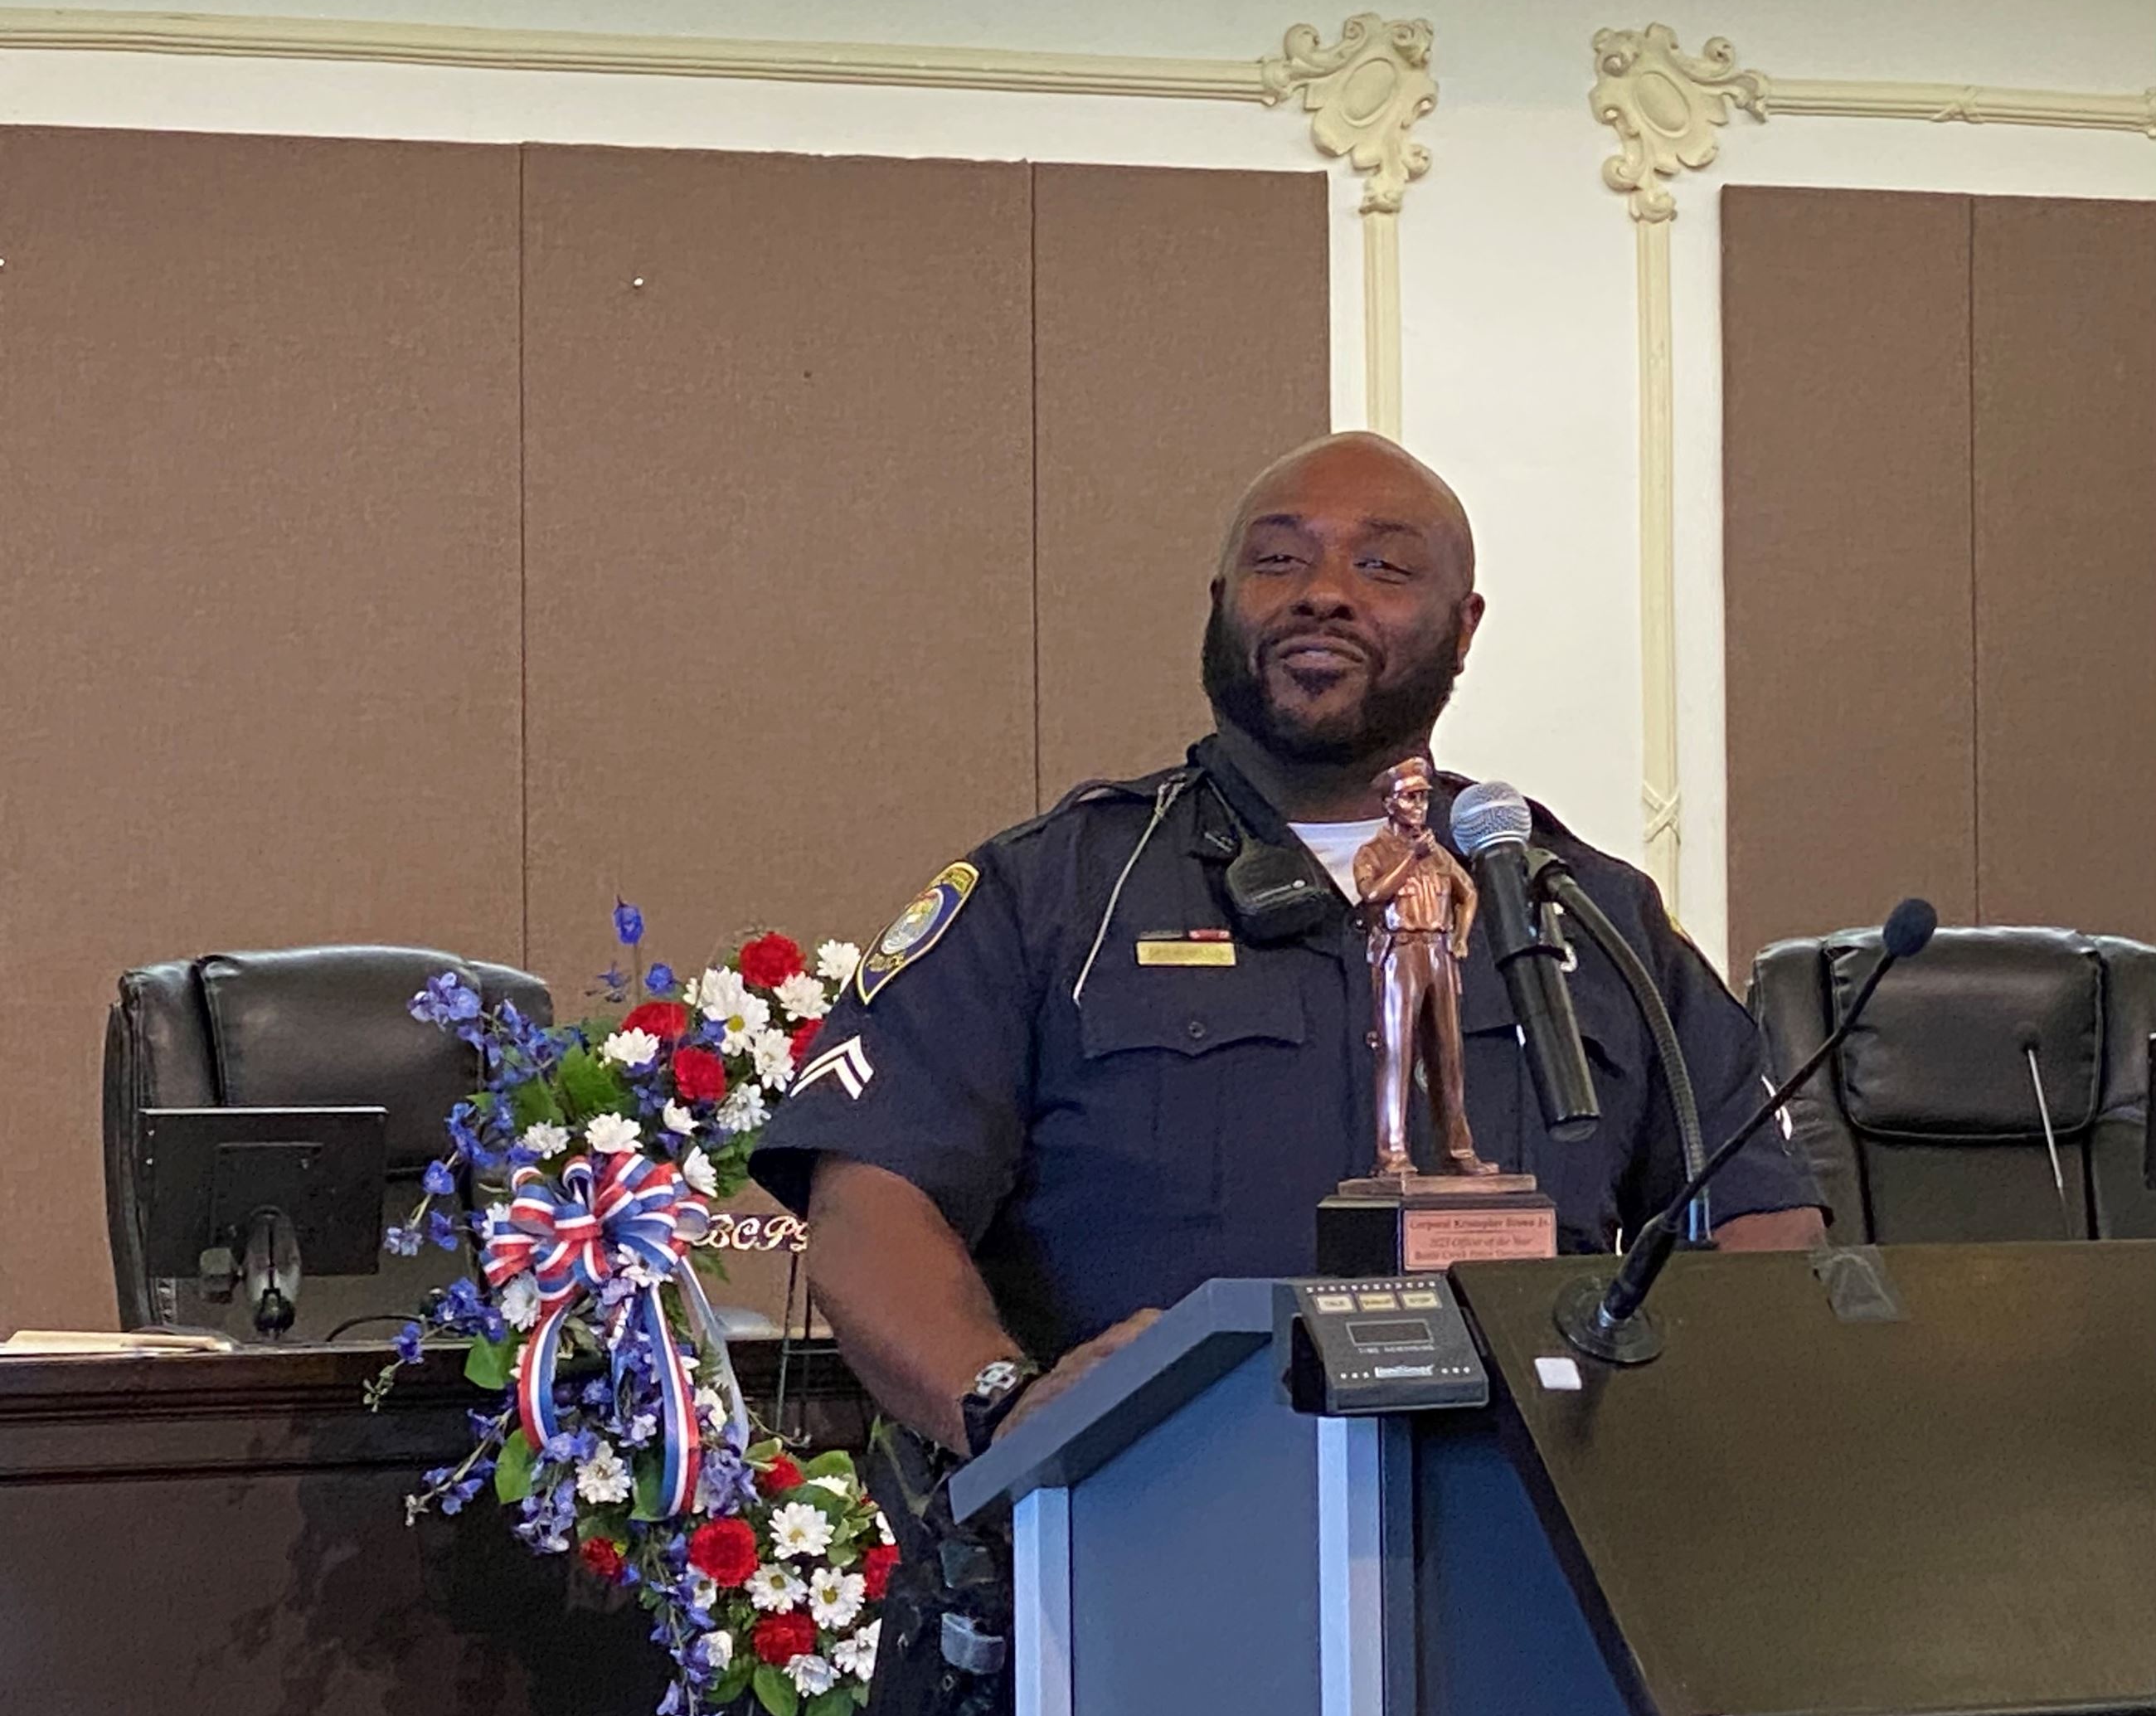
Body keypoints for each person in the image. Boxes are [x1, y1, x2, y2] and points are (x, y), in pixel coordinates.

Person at [751, 432, 1825, 1459]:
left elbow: (1759, 1222)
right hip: (1150, 1542)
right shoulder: (1053, 893)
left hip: (1534, 1553)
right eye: (1279, 561)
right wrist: (1008, 1405)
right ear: (1222, 609)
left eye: (1384, 566)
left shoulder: (1587, 913)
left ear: (1464, 625)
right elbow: (869, 1200)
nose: (1324, 590)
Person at [1352, 756, 1494, 1178]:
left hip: (1439, 951)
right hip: (1401, 953)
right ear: (1390, 804)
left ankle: (1457, 1151)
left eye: (1423, 798)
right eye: (1410, 798)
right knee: (1397, 1052)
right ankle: (1393, 1154)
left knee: (1449, 1055)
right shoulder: (1374, 852)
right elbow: (1373, 894)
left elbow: (1467, 892)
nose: (1419, 806)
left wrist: (1462, 936)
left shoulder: (1438, 853)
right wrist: (1410, 859)